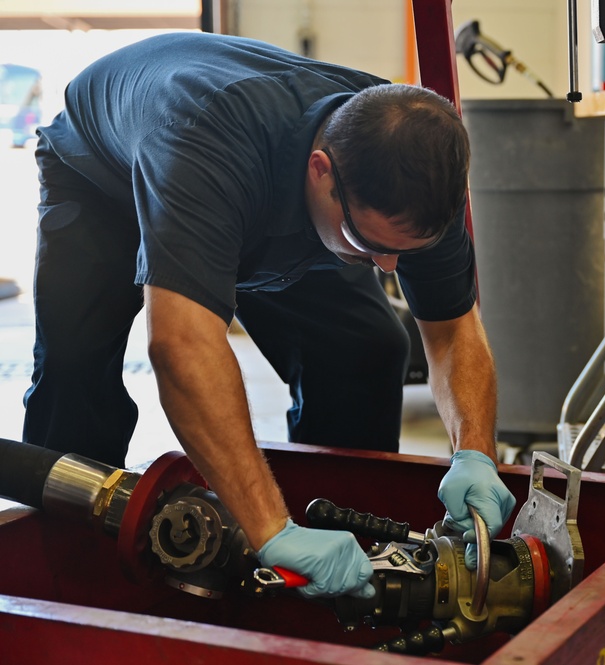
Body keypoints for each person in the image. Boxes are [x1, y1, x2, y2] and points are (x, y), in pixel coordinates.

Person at [23, 31, 515, 599]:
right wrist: (269, 530)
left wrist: (475, 452)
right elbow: (182, 348)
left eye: (404, 251)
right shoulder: (210, 144)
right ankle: (66, 579)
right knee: (76, 373)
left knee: (368, 347)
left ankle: (339, 540)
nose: (386, 266)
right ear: (321, 170)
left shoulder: (418, 167)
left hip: (256, 193)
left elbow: (455, 328)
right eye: (366, 241)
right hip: (102, 176)